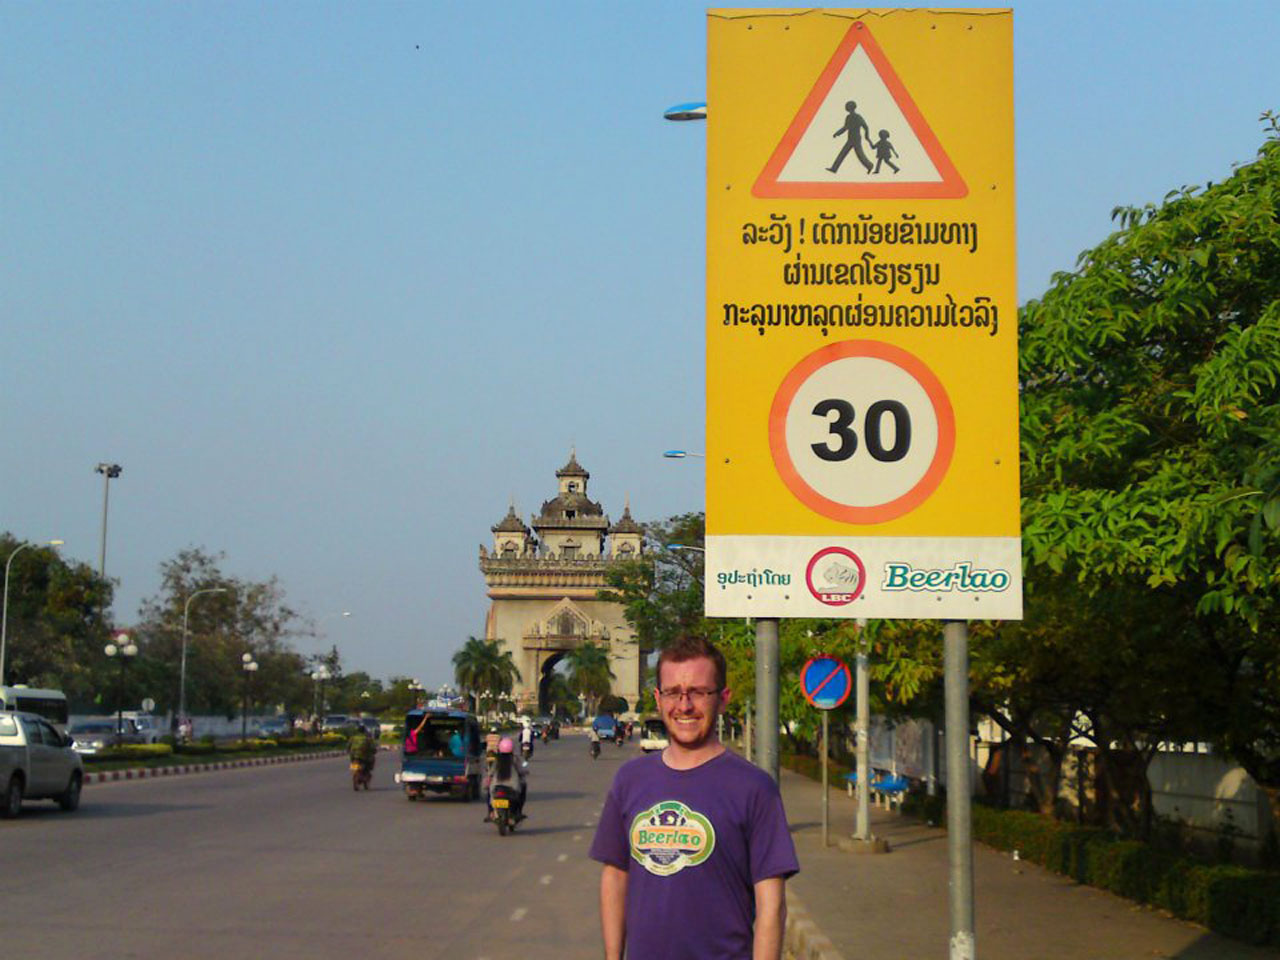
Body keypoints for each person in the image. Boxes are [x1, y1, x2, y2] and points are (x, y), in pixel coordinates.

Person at [589, 636, 798, 960]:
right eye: (673, 692)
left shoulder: (755, 788)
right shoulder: (630, 781)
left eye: (698, 692)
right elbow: (615, 876)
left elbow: (772, 905)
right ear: (658, 699)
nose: (684, 705)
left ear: (723, 698)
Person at [485, 736, 529, 822]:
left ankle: (490, 812)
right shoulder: (515, 759)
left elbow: (491, 772)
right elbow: (520, 770)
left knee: (488, 793)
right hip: (512, 786)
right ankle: (518, 812)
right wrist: (525, 772)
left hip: (496, 786)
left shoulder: (497, 760)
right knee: (523, 789)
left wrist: (489, 776)